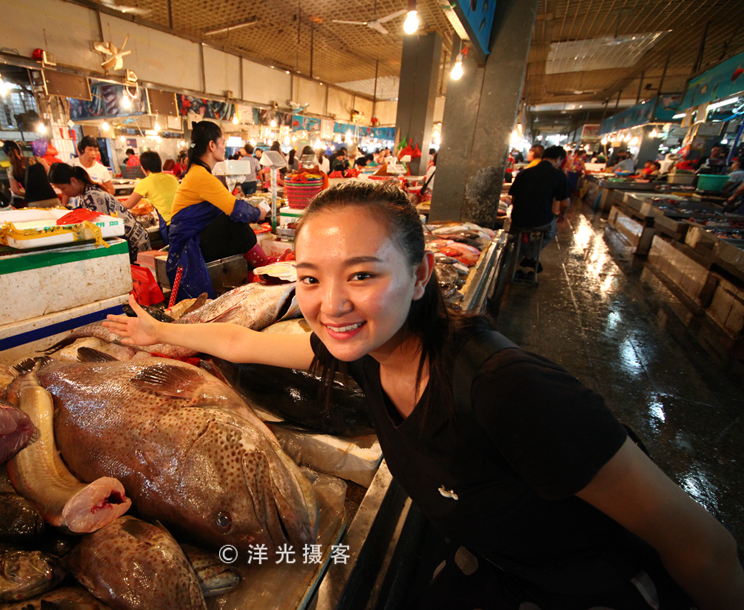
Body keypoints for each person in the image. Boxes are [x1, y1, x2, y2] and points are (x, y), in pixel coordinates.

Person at [104, 180, 744, 609]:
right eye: (310, 278)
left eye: (362, 274)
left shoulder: (508, 389)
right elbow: (247, 345)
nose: (332, 304)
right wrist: (158, 330)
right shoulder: (362, 355)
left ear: (420, 276)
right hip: (500, 569)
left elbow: (701, 545)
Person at [167, 121, 269, 299]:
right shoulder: (201, 176)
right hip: (188, 247)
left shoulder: (199, 173)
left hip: (196, 240)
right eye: (222, 143)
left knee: (231, 223)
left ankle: (260, 272)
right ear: (212, 145)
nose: (224, 148)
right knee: (232, 222)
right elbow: (236, 209)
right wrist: (258, 213)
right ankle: (266, 268)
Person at [47, 162, 149, 262]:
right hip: (131, 241)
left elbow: (98, 230)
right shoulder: (88, 193)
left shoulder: (92, 196)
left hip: (133, 244)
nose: (64, 193)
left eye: (63, 188)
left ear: (73, 181)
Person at [509, 145, 569, 280]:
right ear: (558, 159)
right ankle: (530, 256)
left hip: (518, 220)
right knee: (551, 232)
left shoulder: (525, 172)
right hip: (541, 220)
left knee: (520, 234)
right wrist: (562, 215)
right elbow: (565, 203)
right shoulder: (559, 175)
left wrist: (520, 210)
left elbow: (513, 198)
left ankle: (525, 256)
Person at [123, 150, 178, 242]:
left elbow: (128, 205)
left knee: (170, 254)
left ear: (143, 167)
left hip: (170, 225)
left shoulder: (145, 182)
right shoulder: (172, 178)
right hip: (184, 220)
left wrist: (112, 203)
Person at [2, 141, 58, 208]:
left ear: (7, 154)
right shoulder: (36, 159)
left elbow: (15, 191)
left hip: (34, 202)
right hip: (51, 197)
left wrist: (28, 194)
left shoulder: (11, 170)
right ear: (20, 150)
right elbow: (51, 173)